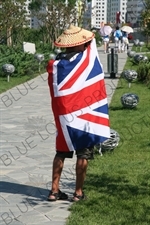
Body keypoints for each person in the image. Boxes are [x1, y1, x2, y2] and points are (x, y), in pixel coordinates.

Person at [46, 24, 110, 202]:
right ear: (81, 44)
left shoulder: (57, 64)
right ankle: (78, 193)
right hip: (84, 117)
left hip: (65, 118)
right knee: (84, 154)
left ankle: (54, 191)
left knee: (61, 152)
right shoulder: (87, 60)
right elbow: (91, 46)